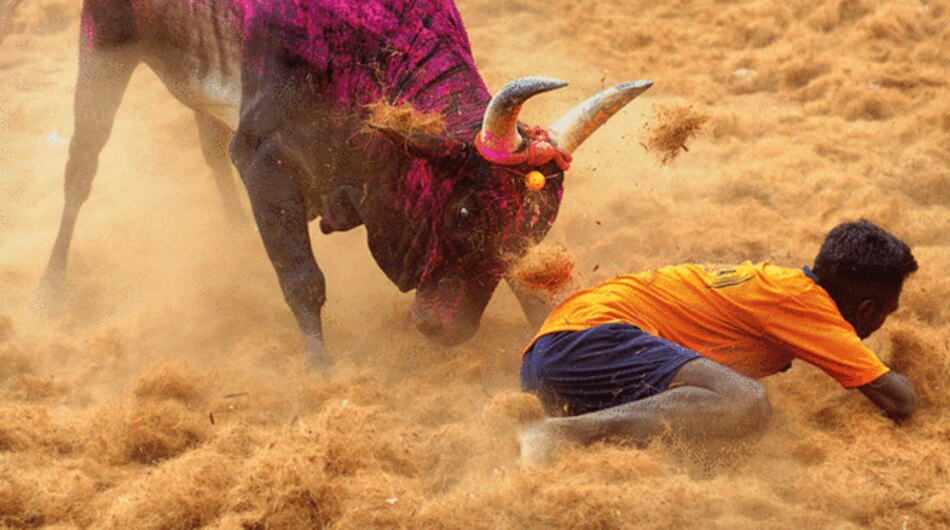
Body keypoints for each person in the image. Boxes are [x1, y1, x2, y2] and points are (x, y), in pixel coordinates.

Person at [518, 220, 919, 464]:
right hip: (586, 342)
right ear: (867, 309)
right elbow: (899, 401)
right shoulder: (807, 304)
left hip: (551, 362)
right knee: (744, 400)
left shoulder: (780, 285)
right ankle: (558, 434)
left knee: (707, 434)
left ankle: (563, 434)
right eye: (889, 311)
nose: (883, 322)